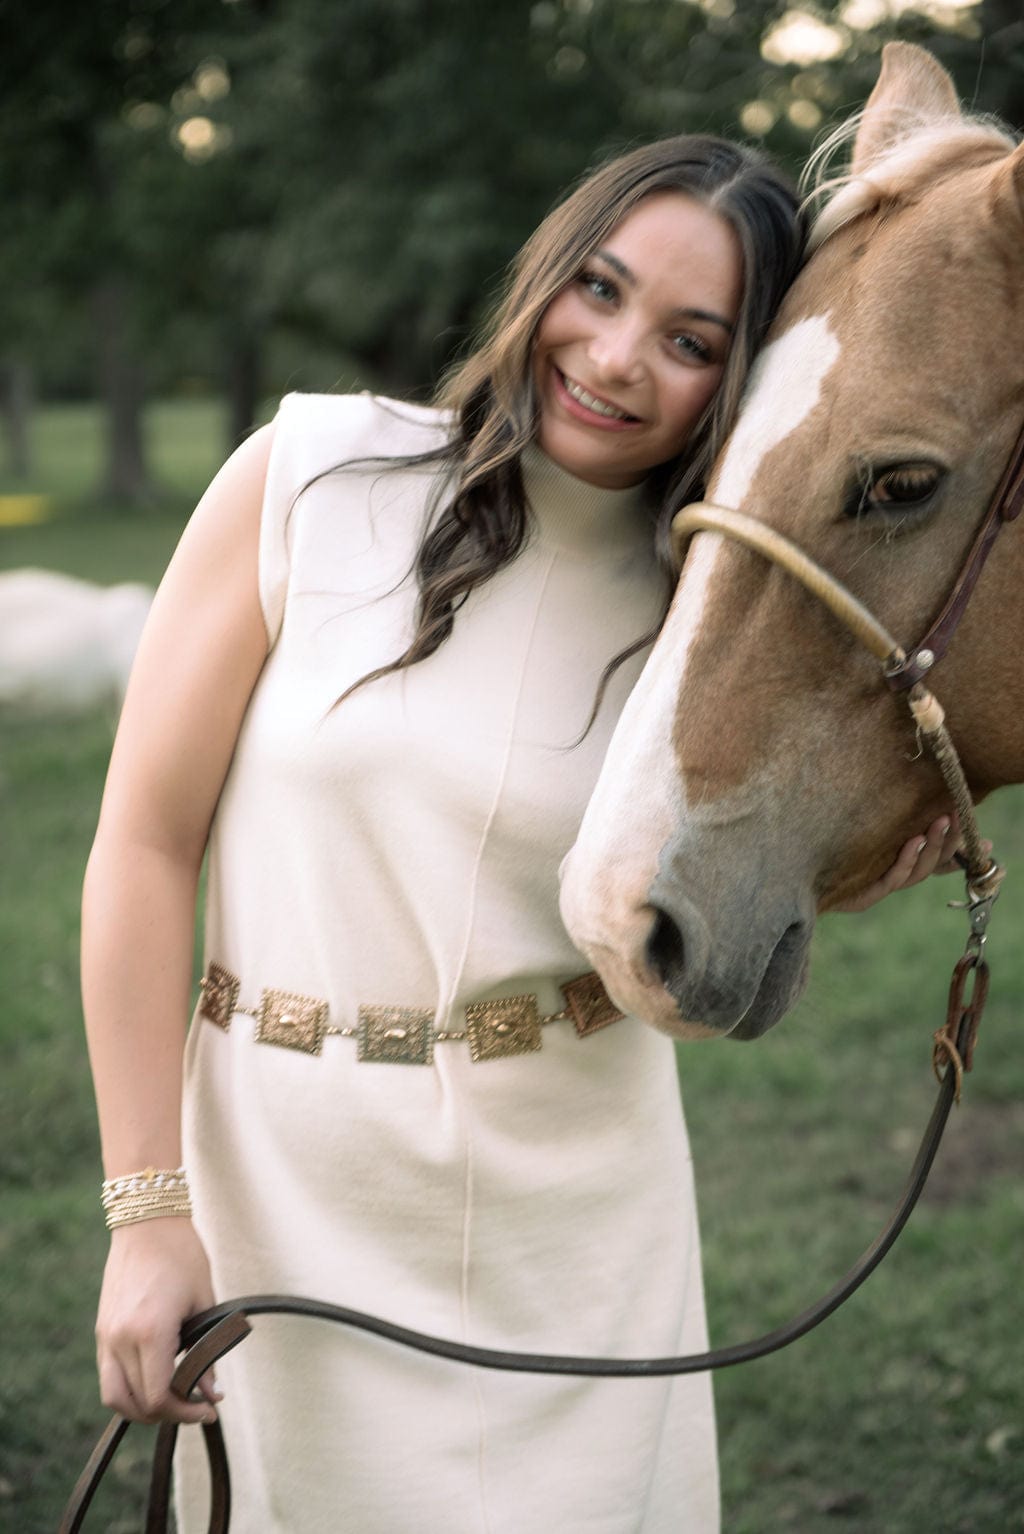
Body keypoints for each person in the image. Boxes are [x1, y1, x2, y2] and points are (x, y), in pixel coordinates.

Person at [81, 133, 961, 1534]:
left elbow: (683, 910)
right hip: (282, 1197)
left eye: (687, 338)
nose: (617, 358)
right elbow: (141, 841)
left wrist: (835, 869)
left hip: (576, 1223)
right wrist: (146, 1209)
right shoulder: (308, 474)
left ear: (734, 379)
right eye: (600, 291)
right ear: (548, 270)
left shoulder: (710, 606)